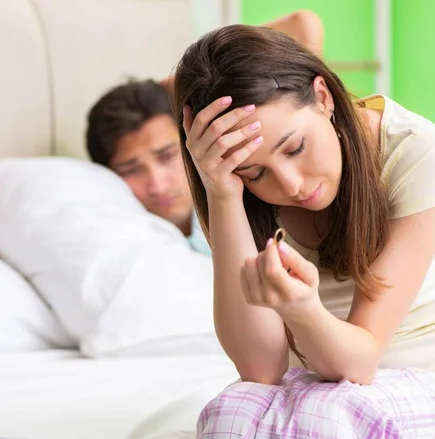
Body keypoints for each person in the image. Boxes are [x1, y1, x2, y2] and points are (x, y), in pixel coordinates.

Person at [172, 24, 435, 439]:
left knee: (327, 419)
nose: (290, 185)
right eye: (255, 174)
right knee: (231, 412)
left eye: (295, 147)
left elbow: (360, 362)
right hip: (312, 392)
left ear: (324, 97)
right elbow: (261, 369)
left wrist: (303, 310)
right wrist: (223, 194)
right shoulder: (233, 187)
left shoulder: (414, 151)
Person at [84, 10, 324, 255]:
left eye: (167, 156)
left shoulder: (249, 187)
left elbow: (302, 24)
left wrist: (186, 85)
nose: (157, 184)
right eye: (131, 169)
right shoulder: (122, 237)